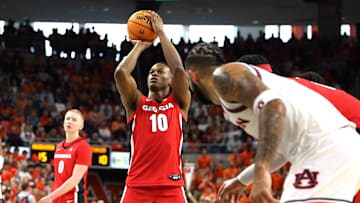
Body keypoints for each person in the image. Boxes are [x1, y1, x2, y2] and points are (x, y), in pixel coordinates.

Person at [185, 43, 360, 203]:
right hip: (336, 145)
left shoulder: (225, 76)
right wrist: (242, 180)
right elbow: (283, 149)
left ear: (192, 75)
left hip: (324, 147)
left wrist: (261, 172)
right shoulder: (229, 103)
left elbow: (273, 105)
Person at [114, 11, 191, 203]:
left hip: (171, 185)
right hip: (137, 185)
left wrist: (161, 34)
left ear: (171, 80)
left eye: (161, 72)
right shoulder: (136, 102)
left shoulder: (179, 102)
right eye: (151, 72)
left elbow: (180, 69)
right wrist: (140, 46)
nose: (154, 74)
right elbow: (121, 73)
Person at [39, 109, 92, 203]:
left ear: (81, 126)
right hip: (57, 197)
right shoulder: (59, 146)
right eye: (67, 119)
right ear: (63, 123)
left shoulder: (83, 146)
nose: (69, 121)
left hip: (73, 197)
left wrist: (51, 196)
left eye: (74, 120)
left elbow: (75, 178)